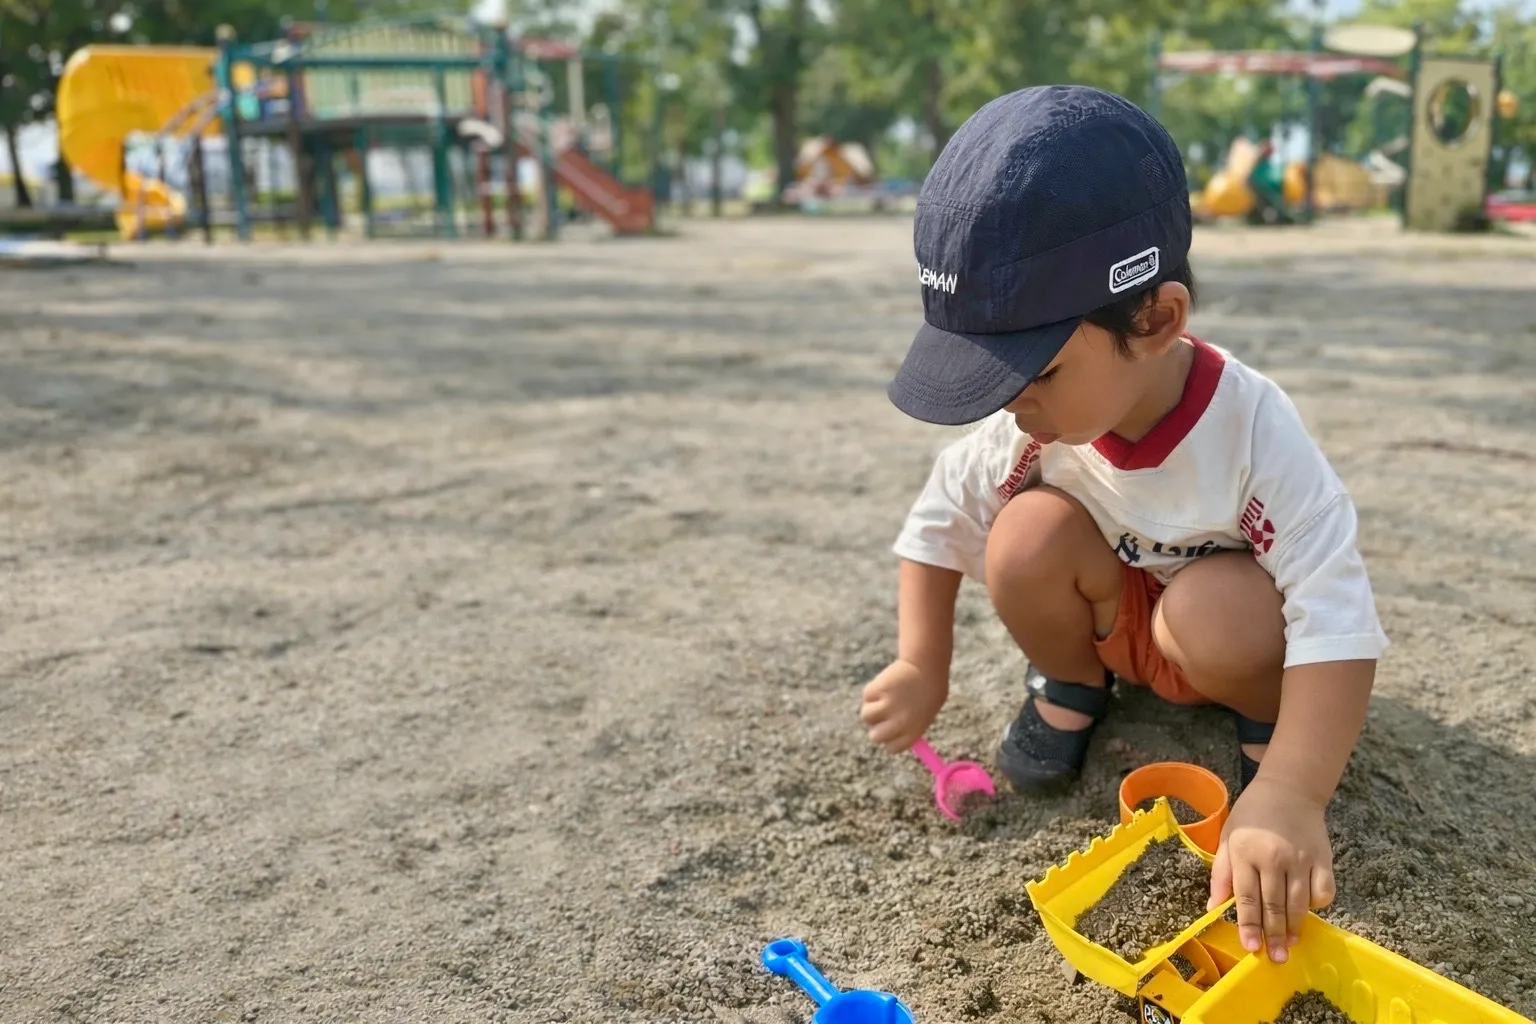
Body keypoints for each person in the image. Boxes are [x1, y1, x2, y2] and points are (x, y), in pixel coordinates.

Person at [859, 85, 1387, 966]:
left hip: (1220, 640)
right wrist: (923, 663)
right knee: (1023, 535)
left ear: (1155, 321)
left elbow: (1337, 612)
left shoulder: (1253, 429)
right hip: (1114, 622)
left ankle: (1262, 724)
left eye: (1036, 370)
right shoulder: (1029, 426)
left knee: (1215, 613)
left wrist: (1294, 792)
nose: (1010, 402)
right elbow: (937, 524)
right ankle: (1073, 685)